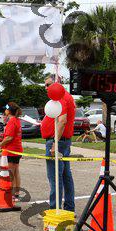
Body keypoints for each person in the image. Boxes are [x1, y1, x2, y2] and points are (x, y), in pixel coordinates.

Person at [41, 75, 76, 212]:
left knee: (55, 177)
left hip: (58, 141)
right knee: (66, 176)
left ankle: (54, 209)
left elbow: (62, 120)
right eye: (45, 85)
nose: (46, 88)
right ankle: (68, 209)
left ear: (57, 83)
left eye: (48, 84)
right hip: (63, 141)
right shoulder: (67, 96)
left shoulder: (60, 97)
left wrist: (55, 143)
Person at [0, 102, 23, 202]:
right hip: (16, 149)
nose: (5, 111)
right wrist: (2, 139)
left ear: (9, 111)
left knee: (11, 173)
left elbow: (9, 137)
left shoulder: (12, 121)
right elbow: (9, 136)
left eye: (6, 109)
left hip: (11, 150)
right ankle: (16, 194)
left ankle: (12, 195)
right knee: (16, 171)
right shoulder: (16, 120)